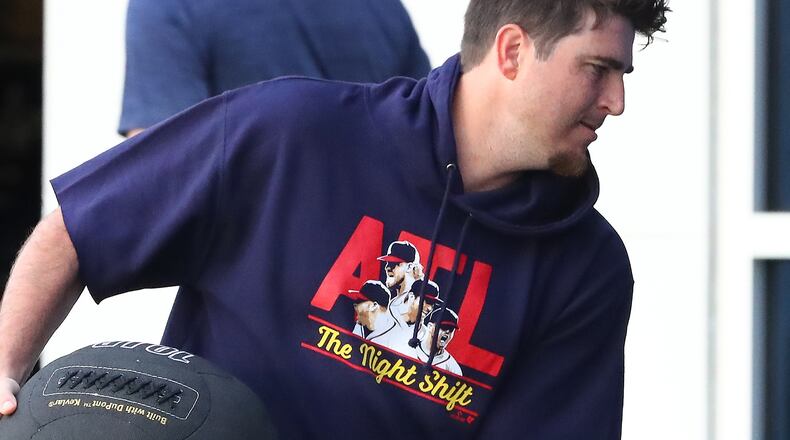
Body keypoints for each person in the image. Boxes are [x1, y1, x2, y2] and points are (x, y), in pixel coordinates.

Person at [0, 0, 669, 438]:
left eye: (621, 75)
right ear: (513, 51)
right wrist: (5, 371)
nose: (615, 101)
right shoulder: (285, 130)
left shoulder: (587, 268)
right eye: (597, 69)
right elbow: (80, 229)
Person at [119, 0, 431, 137]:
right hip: (376, 246)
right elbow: (433, 138)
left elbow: (157, 177)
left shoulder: (169, 6)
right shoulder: (384, 6)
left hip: (249, 249)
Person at [414, 308, 463, 376]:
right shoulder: (409, 347)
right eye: (444, 327)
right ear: (430, 327)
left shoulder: (453, 368)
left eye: (451, 329)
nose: (447, 332)